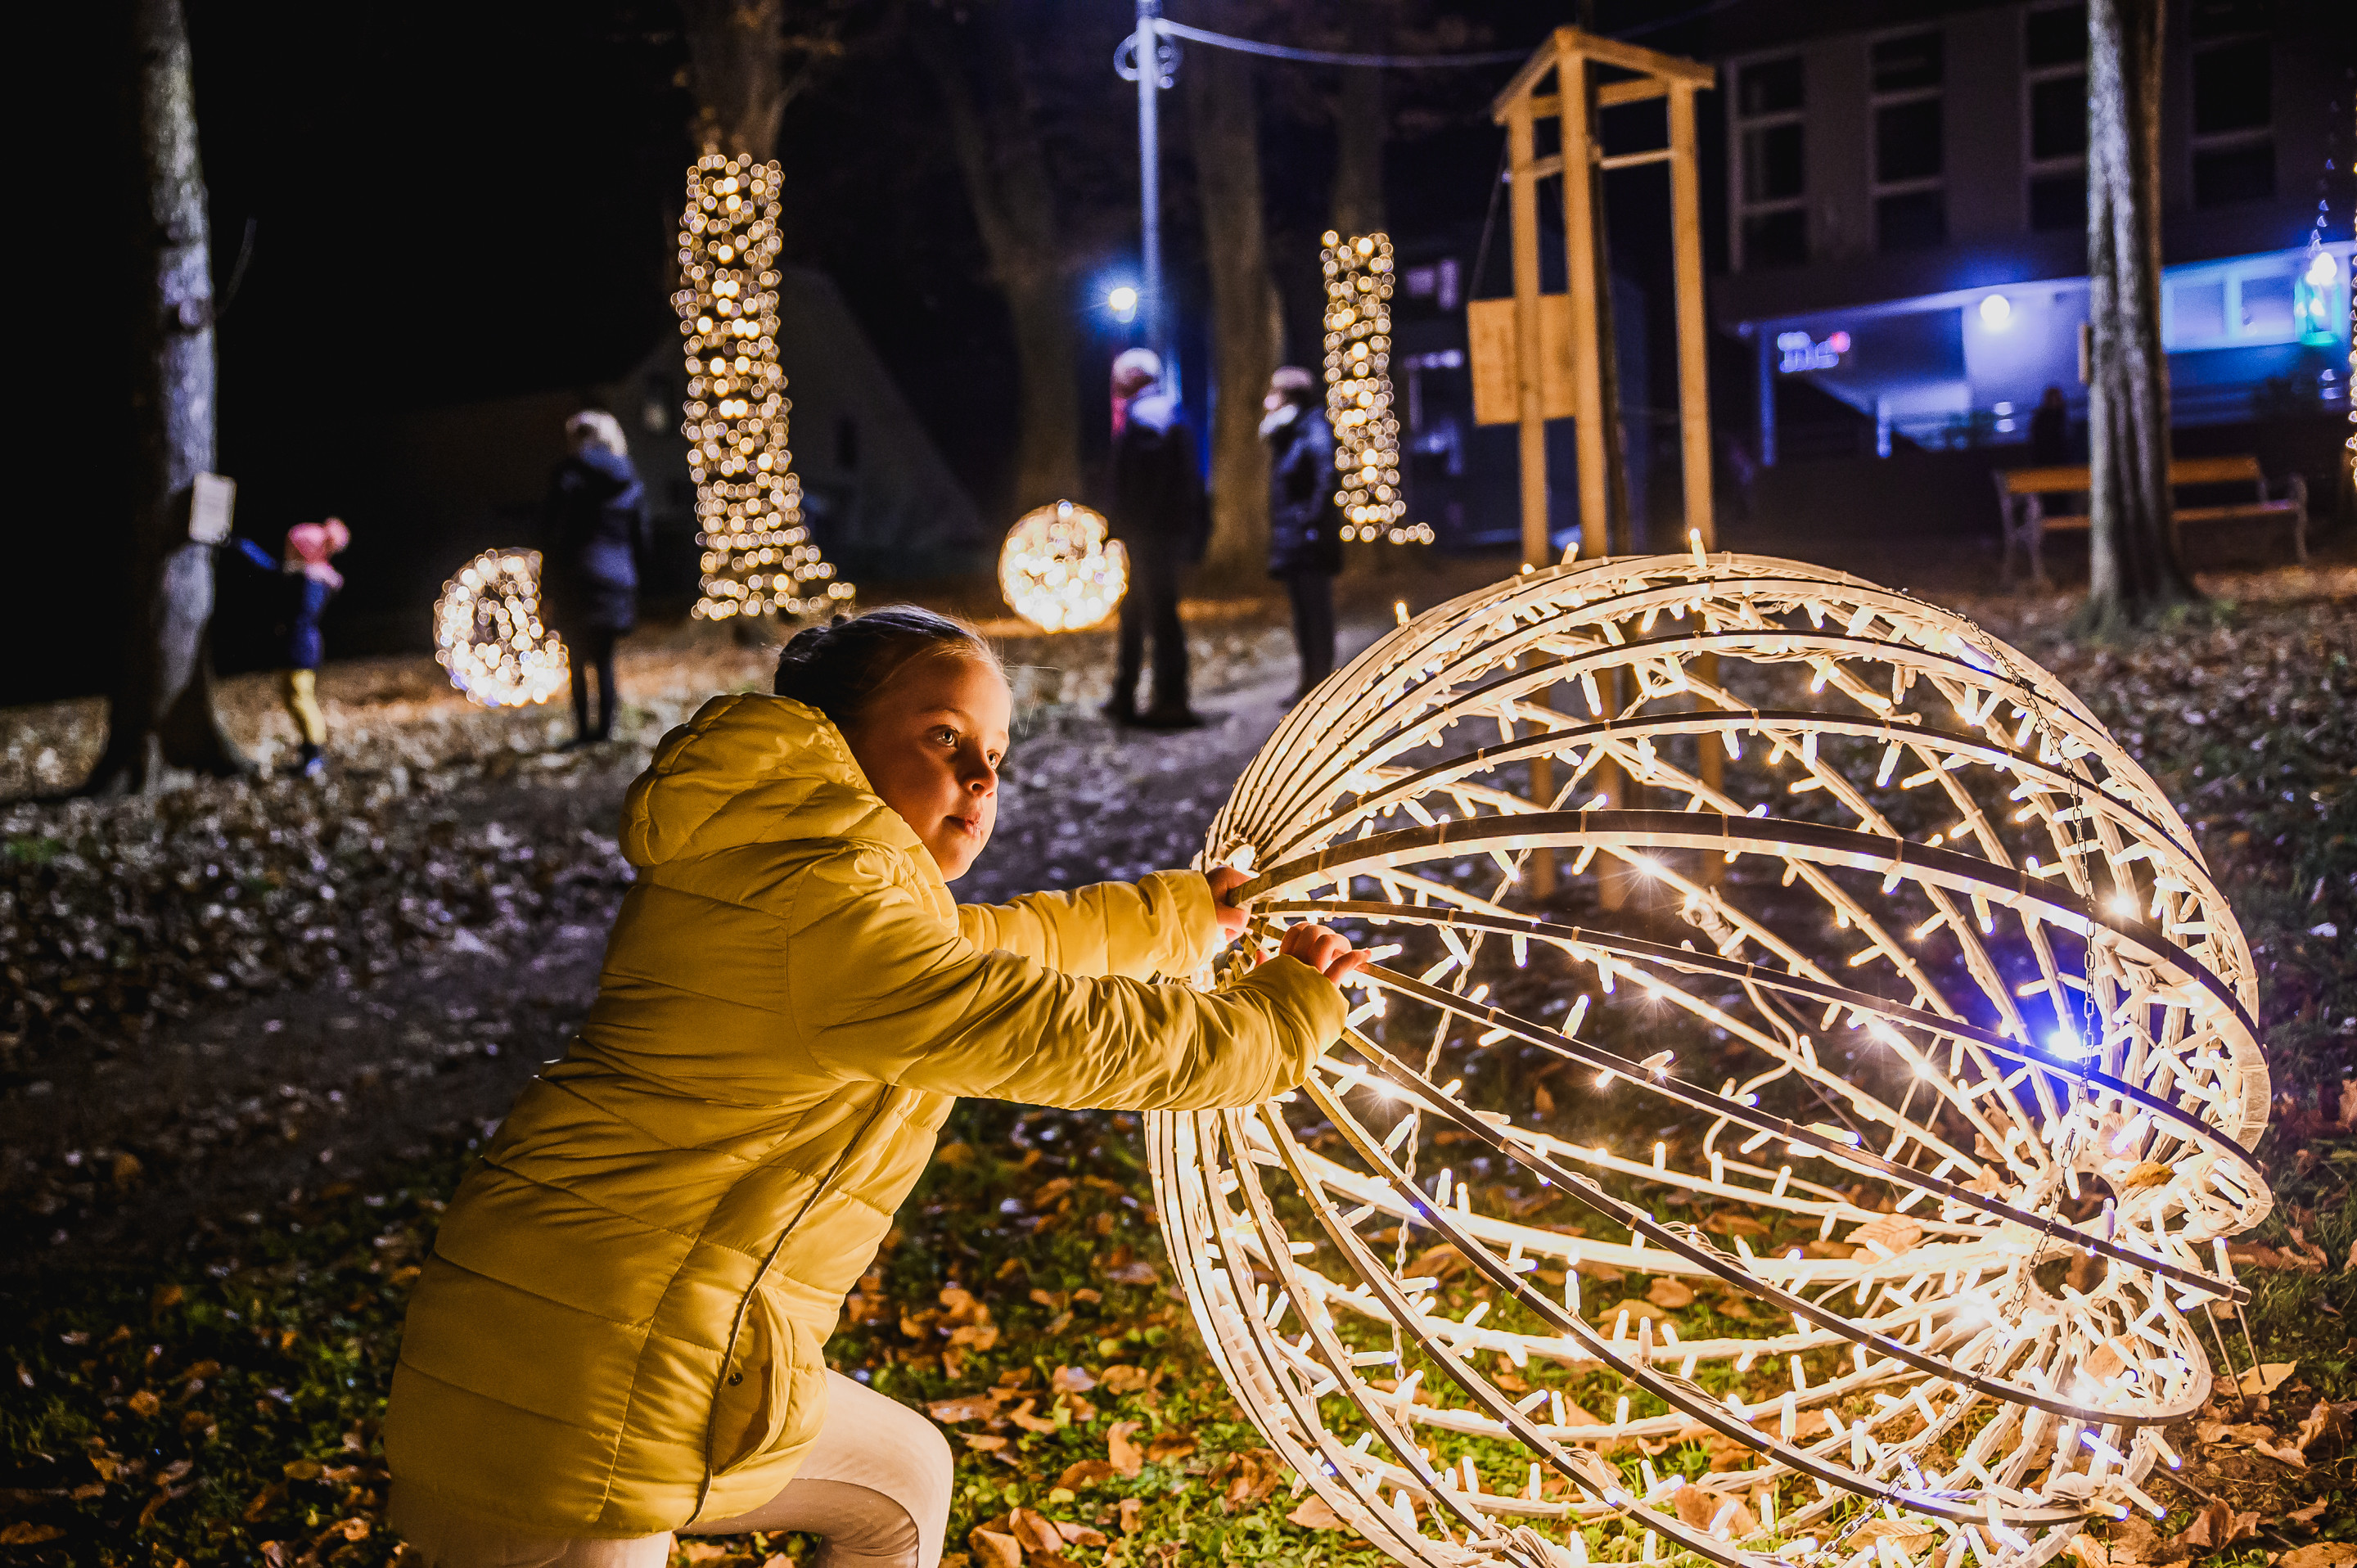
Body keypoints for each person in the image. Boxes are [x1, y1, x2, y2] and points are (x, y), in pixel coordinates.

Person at [383, 606, 1363, 1568]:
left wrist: (1183, 915)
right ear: (834, 739)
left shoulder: (813, 873)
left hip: (638, 1348)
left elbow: (996, 948)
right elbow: (1042, 1027)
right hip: (569, 1391)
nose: (982, 777)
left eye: (997, 752)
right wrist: (1276, 1021)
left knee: (901, 1482)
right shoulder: (820, 900)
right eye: (945, 737)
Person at [1103, 348, 1209, 729]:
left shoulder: (1150, 418)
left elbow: (1142, 484)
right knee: (1136, 612)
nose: (1114, 384)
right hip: (1156, 533)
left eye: (1119, 377)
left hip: (1151, 535)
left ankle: (1170, 700)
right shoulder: (1164, 415)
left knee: (1160, 613)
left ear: (1134, 378)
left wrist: (1127, 525)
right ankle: (1125, 694)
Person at [542, 408, 651, 746]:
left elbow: (552, 535)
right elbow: (642, 538)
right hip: (617, 577)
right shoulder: (629, 478)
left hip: (578, 577)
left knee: (576, 658)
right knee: (604, 658)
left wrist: (547, 586)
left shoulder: (567, 477)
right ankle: (604, 734)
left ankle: (583, 733)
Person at [231, 517, 349, 778]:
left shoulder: (309, 582)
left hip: (302, 647)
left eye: (294, 548)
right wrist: (242, 545)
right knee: (293, 697)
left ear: (303, 551)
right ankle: (309, 752)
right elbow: (272, 569)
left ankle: (315, 754)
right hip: (298, 645)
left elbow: (280, 583)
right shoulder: (307, 578)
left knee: (300, 698)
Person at [1260, 367, 1343, 702]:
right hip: (1295, 539)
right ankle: (1310, 680)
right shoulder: (1289, 435)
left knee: (1315, 612)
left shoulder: (1311, 431)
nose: (1269, 401)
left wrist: (1309, 524)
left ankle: (1321, 682)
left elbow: (1324, 482)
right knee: (1303, 615)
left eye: (1275, 394)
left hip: (1308, 542)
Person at [2029, 385, 2071, 468]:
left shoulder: (2061, 414)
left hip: (2061, 458)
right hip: (2046, 459)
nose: (2057, 400)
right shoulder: (2042, 417)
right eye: (2055, 397)